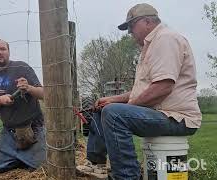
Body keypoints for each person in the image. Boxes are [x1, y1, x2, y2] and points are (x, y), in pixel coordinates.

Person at [77, 3, 202, 179]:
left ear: (147, 21)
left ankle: (128, 176)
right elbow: (142, 90)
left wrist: (126, 105)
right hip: (161, 113)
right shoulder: (150, 47)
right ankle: (96, 164)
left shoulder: (165, 39)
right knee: (104, 107)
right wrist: (113, 99)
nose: (129, 32)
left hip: (177, 117)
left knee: (114, 114)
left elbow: (163, 87)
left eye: (131, 26)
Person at [0, 39, 46, 172]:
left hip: (33, 128)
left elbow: (44, 94)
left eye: (3, 49)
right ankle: (23, 158)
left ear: (8, 52)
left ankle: (28, 157)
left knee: (43, 168)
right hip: (9, 131)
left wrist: (28, 88)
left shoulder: (21, 67)